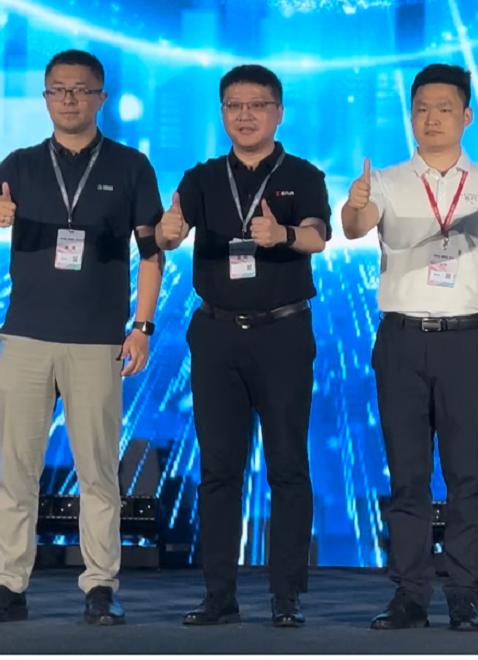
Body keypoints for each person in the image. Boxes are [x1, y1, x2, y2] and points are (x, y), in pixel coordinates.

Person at [0, 49, 163, 626]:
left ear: (101, 98)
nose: (69, 99)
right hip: (25, 338)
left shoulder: (130, 166)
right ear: (46, 97)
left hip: (97, 341)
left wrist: (142, 327)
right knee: (16, 471)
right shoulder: (20, 164)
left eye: (81, 90)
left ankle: (100, 585)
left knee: (98, 472)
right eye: (58, 89)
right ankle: (8, 585)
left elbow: (151, 253)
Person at [340, 64, 478, 633]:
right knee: (408, 476)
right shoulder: (386, 181)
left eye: (444, 109)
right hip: (401, 340)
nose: (432, 119)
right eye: (421, 109)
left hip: (469, 341)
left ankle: (465, 595)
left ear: (466, 116)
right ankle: (410, 594)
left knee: (467, 476)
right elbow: (354, 226)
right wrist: (354, 203)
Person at [156, 64, 331, 629]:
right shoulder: (202, 177)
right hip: (217, 334)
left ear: (278, 112)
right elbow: (169, 232)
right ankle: (218, 595)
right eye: (234, 105)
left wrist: (283, 235)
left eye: (257, 105)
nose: (245, 115)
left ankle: (287, 595)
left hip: (283, 332)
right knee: (219, 469)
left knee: (287, 466)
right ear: (222, 113)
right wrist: (167, 232)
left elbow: (318, 235)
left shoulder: (302, 174)